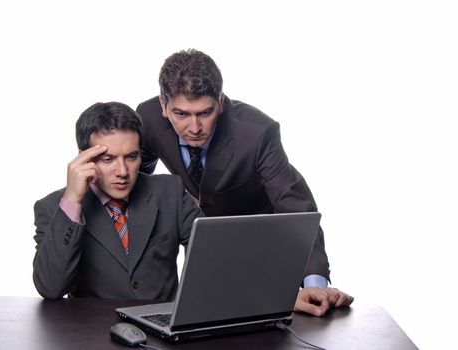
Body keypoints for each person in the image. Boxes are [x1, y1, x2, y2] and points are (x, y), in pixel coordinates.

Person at [136, 49, 354, 314]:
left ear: (221, 101)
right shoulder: (147, 119)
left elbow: (295, 206)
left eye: (205, 113)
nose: (194, 128)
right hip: (206, 243)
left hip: (261, 240)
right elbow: (138, 176)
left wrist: (315, 283)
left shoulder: (257, 132)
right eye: (181, 114)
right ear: (163, 104)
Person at [32, 101, 203, 300]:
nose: (122, 172)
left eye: (131, 157)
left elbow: (212, 254)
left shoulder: (169, 191)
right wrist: (73, 200)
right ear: (84, 159)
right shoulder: (53, 208)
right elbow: (50, 288)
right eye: (108, 159)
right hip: (94, 328)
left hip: (161, 325)